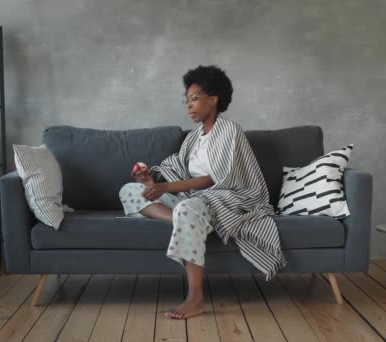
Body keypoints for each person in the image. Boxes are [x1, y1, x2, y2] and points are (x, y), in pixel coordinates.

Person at [119, 65, 286, 319]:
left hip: (225, 197)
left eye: (194, 99)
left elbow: (215, 179)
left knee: (187, 208)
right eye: (186, 100)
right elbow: (179, 172)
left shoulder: (230, 131)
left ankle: (195, 297)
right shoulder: (194, 138)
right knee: (130, 190)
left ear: (213, 99)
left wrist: (164, 188)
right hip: (193, 200)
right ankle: (180, 219)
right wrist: (150, 181)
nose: (188, 105)